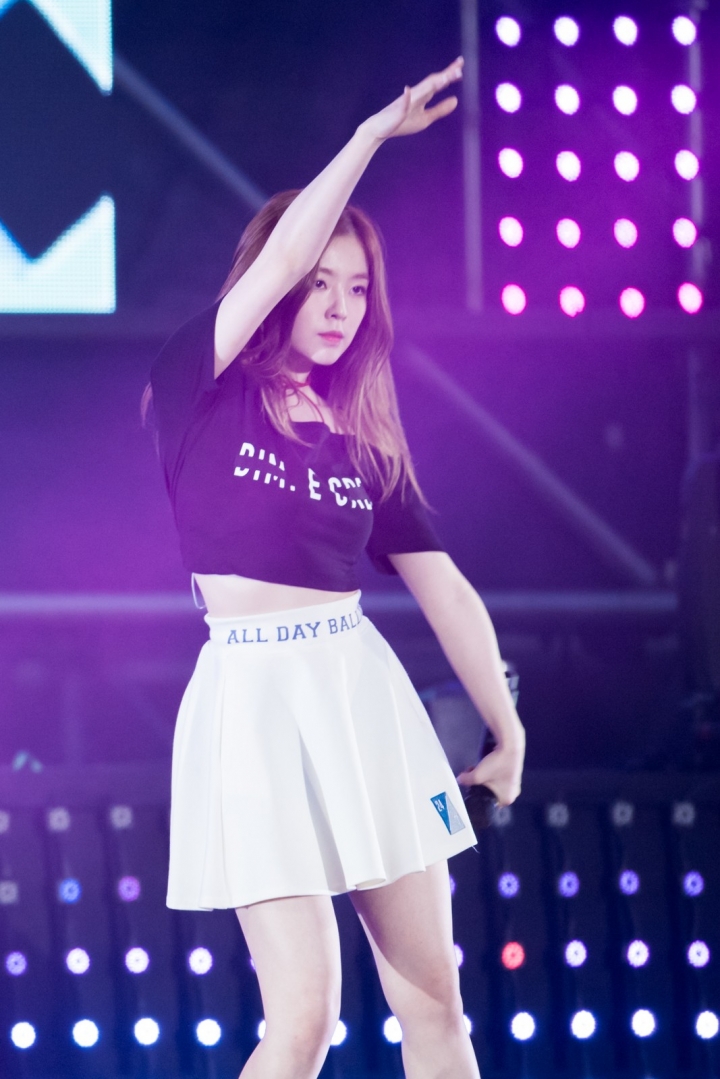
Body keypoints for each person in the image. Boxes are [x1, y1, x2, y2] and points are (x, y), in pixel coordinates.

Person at [150, 57, 525, 1079]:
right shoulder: (199, 383)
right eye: (322, 281)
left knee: (436, 1005)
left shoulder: (362, 436)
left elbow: (445, 586)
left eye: (359, 289)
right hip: (252, 700)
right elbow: (279, 259)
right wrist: (367, 139)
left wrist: (508, 725)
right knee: (304, 1018)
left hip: (359, 693)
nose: (341, 304)